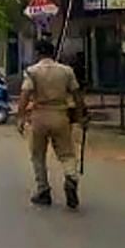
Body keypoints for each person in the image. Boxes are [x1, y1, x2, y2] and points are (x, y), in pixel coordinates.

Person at [16, 39, 87, 210]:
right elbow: (77, 95)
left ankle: (43, 190)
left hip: (39, 115)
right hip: (60, 115)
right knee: (67, 154)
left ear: (38, 54)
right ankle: (71, 177)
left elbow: (25, 95)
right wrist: (80, 117)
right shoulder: (66, 71)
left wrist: (20, 117)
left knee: (38, 155)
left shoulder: (32, 72)